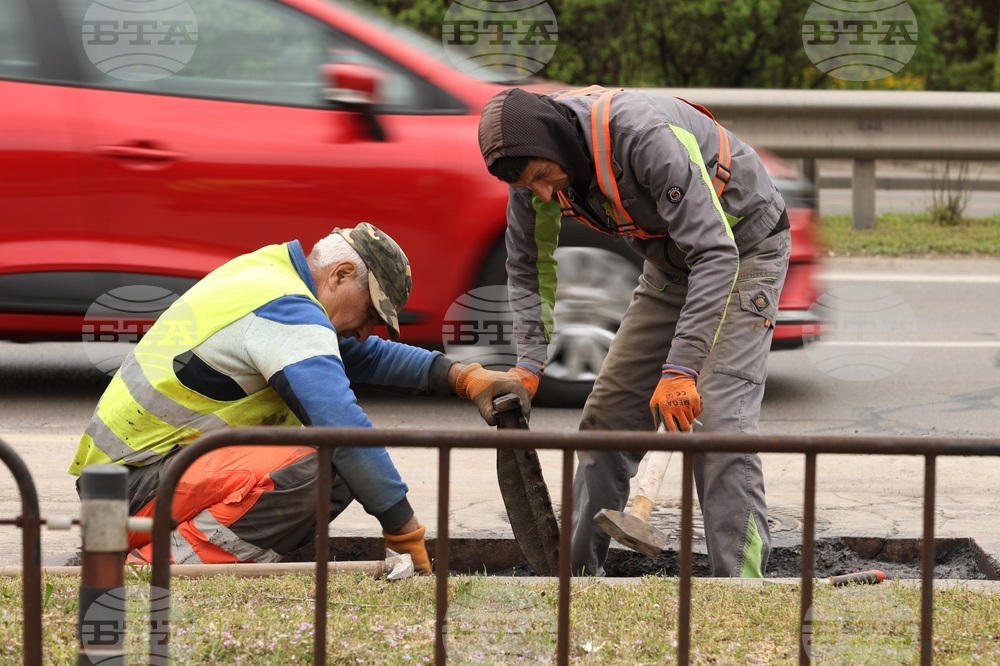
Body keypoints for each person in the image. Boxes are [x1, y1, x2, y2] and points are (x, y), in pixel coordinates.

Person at [69, 223, 529, 571]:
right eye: (369, 312)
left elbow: (359, 356)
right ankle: (158, 568)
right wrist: (404, 531)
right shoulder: (288, 315)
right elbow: (343, 428)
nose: (366, 331)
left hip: (117, 489)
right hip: (127, 496)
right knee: (327, 466)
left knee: (322, 462)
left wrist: (464, 377)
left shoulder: (268, 276)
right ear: (341, 275)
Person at [478, 86, 791, 577]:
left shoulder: (641, 136)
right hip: (671, 266)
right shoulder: (531, 171)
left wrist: (681, 368)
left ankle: (740, 589)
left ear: (558, 142)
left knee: (719, 426)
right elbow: (526, 265)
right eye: (527, 186)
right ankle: (576, 580)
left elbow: (716, 253)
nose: (542, 193)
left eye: (542, 177)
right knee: (606, 419)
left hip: (742, 250)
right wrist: (528, 363)